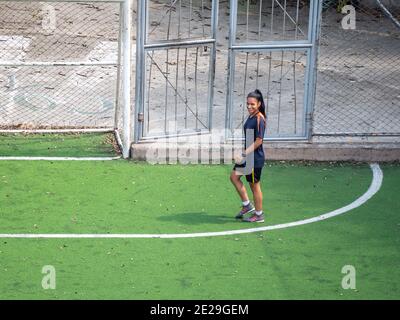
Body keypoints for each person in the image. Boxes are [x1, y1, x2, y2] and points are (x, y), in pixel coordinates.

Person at [230, 89, 266, 223]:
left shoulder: (259, 119)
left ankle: (259, 214)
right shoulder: (251, 116)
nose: (249, 107)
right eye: (248, 104)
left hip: (253, 159)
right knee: (234, 177)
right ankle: (247, 205)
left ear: (259, 104)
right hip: (247, 157)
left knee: (254, 186)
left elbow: (258, 141)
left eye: (253, 104)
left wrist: (244, 153)